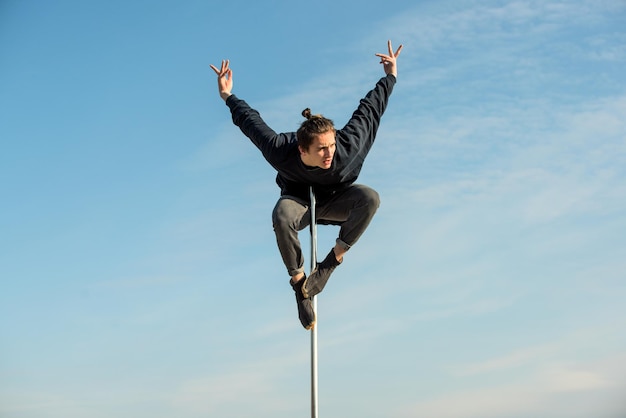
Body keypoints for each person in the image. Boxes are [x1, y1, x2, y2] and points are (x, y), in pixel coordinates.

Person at [210, 40, 402, 330]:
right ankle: (301, 286)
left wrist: (390, 76)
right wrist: (228, 96)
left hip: (339, 203)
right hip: (300, 204)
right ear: (302, 150)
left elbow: (371, 109)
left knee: (370, 198)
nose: (329, 154)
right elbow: (252, 123)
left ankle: (329, 264)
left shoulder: (347, 148)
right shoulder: (281, 149)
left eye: (331, 146)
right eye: (321, 149)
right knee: (282, 215)